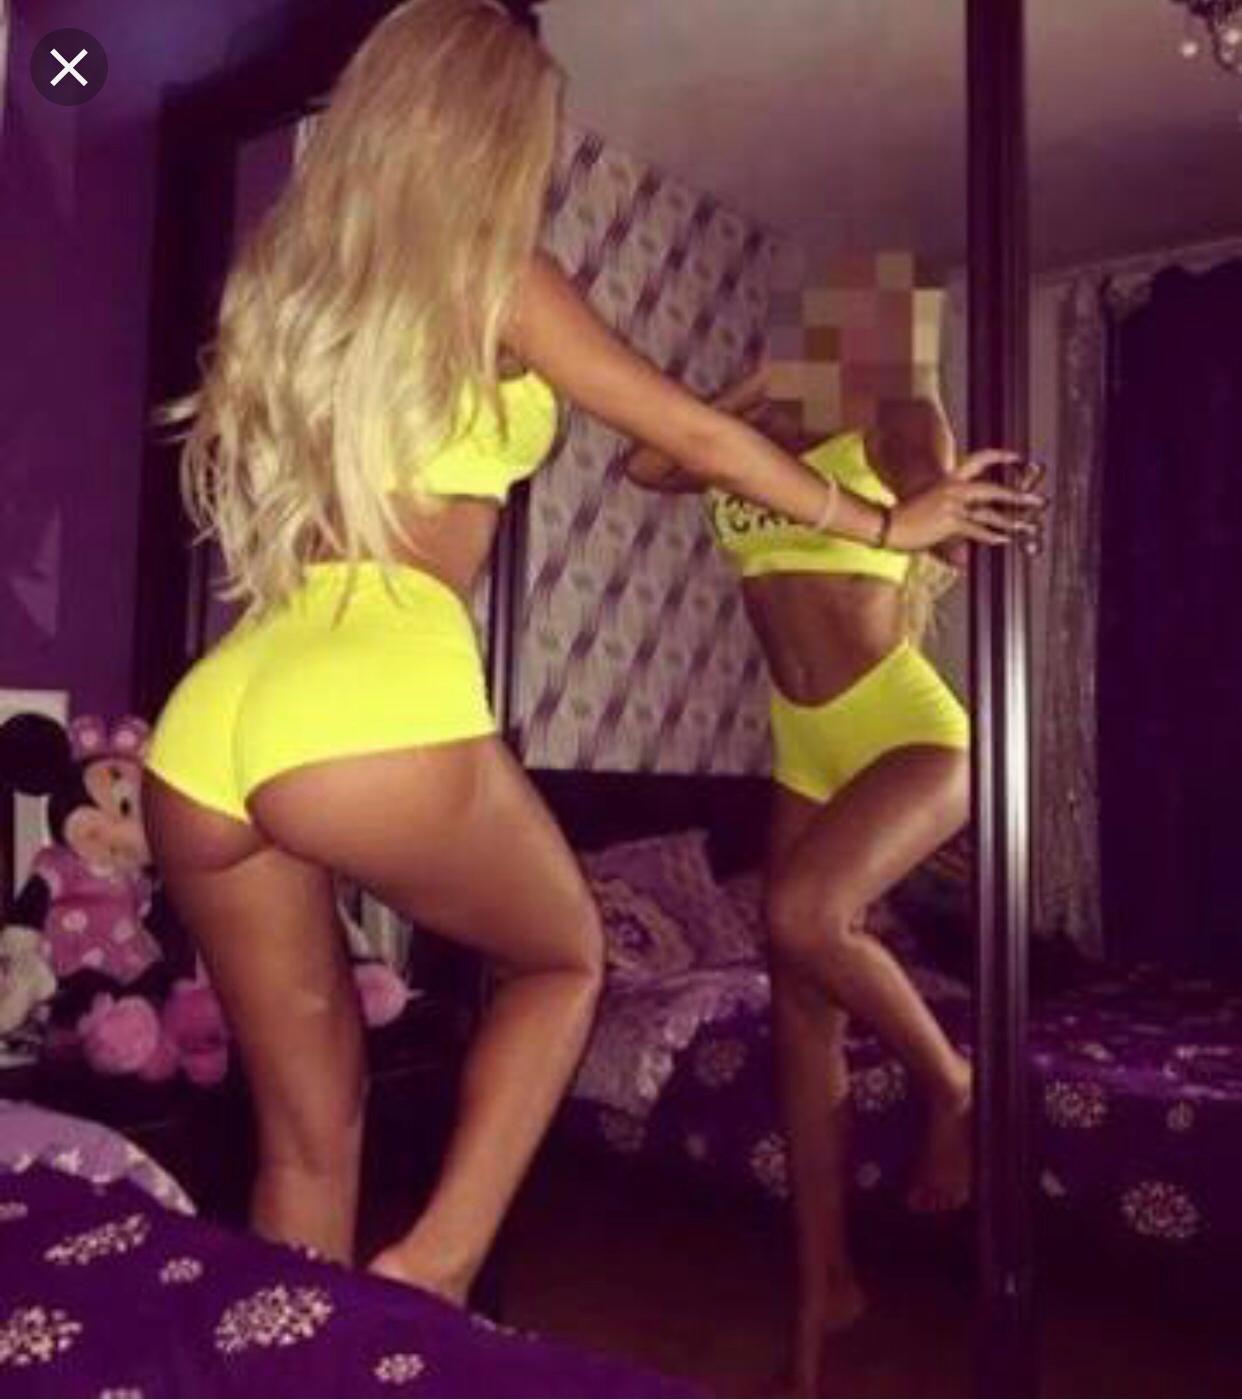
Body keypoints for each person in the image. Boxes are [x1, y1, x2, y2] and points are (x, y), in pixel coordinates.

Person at [143, 0, 1041, 1311]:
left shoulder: (294, 278)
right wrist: (887, 524)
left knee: (306, 1144)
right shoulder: (496, 275)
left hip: (215, 716)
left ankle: (306, 1359)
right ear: (493, 135)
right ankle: (434, 1274)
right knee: (567, 960)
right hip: (369, 685)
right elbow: (698, 440)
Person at [624, 361, 1041, 1392]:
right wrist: (757, 380)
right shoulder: (758, 423)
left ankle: (954, 1083)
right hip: (802, 745)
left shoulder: (898, 406)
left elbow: (933, 505)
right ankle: (824, 1295)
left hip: (906, 727)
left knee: (804, 912)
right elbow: (646, 463)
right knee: (800, 1015)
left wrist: (958, 513)